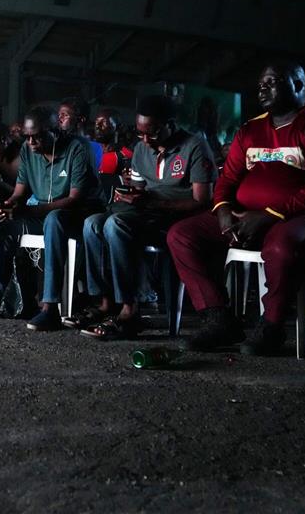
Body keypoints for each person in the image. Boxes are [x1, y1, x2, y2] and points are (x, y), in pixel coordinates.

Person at [167, 62, 305, 355]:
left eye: (272, 81)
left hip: (302, 216)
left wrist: (268, 216)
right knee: (181, 235)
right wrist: (223, 211)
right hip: (245, 215)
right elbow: (227, 179)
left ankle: (272, 327)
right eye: (261, 83)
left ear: (298, 85)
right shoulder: (250, 129)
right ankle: (218, 319)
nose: (263, 88)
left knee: (281, 247)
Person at [0, 106, 100, 330]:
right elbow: (19, 193)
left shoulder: (77, 149)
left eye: (37, 137)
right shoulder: (28, 150)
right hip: (41, 216)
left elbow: (74, 200)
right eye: (27, 137)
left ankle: (50, 307)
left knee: (54, 219)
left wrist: (26, 211)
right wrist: (8, 205)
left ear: (55, 131)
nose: (31, 142)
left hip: (74, 217)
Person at [77, 95, 218, 339]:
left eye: (151, 133)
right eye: (140, 133)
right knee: (92, 224)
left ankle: (130, 310)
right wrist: (131, 196)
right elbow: (140, 188)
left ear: (169, 125)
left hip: (176, 218)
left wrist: (155, 203)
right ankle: (105, 302)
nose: (144, 140)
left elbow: (201, 201)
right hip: (146, 213)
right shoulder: (142, 149)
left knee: (115, 225)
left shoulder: (194, 146)